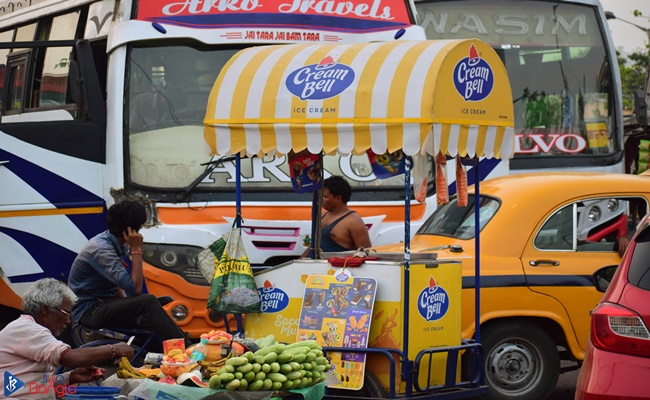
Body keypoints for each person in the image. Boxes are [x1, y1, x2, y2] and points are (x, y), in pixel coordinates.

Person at [68, 200, 192, 350]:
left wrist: (129, 304)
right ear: (131, 229)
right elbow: (136, 288)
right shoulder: (101, 249)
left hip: (105, 303)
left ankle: (160, 358)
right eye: (140, 227)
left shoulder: (111, 242)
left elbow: (116, 283)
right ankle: (189, 349)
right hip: (90, 310)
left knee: (151, 318)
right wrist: (136, 249)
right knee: (147, 301)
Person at [0, 278, 134, 399]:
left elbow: (33, 382)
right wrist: (114, 349)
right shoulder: (27, 330)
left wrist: (69, 377)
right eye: (66, 313)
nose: (68, 321)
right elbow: (70, 358)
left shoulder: (28, 330)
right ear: (45, 309)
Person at [305, 176, 372, 256]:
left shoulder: (353, 221)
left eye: (325, 197)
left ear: (338, 198)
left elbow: (366, 253)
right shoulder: (322, 215)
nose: (321, 199)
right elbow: (313, 246)